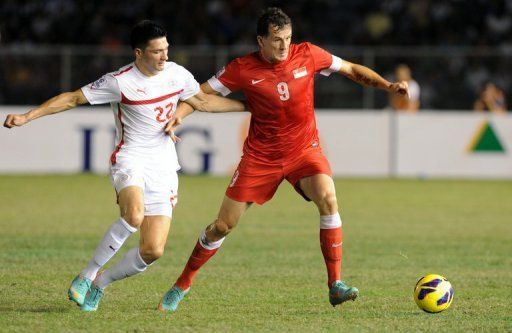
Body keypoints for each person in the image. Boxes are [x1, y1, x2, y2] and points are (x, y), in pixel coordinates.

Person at [158, 7, 410, 312]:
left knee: (328, 198)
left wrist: (387, 86)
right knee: (222, 226)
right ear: (261, 40)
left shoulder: (309, 55)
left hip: (304, 151)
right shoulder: (241, 68)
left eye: (288, 39)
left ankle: (335, 284)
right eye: (277, 40)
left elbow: (353, 70)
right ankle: (181, 285)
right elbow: (201, 95)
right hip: (260, 158)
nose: (283, 46)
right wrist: (179, 117)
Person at [3, 20, 244, 312]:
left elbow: (204, 103)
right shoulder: (120, 81)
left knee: (153, 250)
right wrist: (28, 116)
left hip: (164, 165)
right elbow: (72, 98)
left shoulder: (177, 74)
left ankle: (100, 284)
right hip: (130, 158)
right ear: (139, 53)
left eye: (166, 49)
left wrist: (252, 107)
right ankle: (86, 276)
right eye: (157, 52)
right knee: (133, 216)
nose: (164, 57)